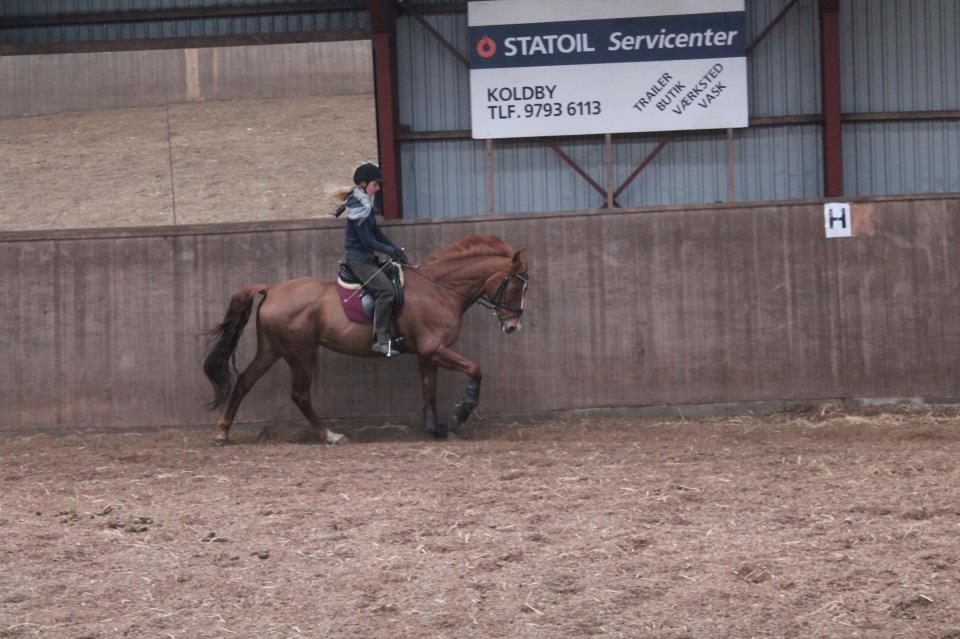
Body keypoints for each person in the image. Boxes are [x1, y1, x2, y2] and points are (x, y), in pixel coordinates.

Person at [336, 163, 410, 357]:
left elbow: (377, 233)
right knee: (386, 292)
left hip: (367, 258)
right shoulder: (357, 207)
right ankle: (380, 340)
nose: (377, 188)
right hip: (358, 260)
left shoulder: (366, 205)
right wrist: (389, 250)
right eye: (375, 184)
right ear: (363, 184)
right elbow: (367, 240)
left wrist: (395, 250)